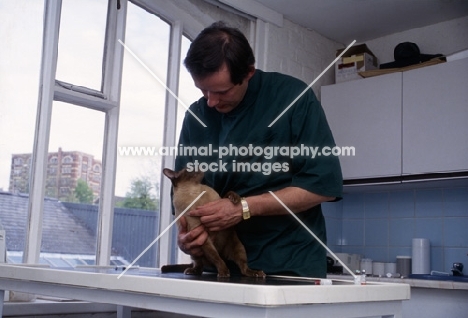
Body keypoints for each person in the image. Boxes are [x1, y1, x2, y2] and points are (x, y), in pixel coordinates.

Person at [174, 21, 342, 278]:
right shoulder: (196, 116)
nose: (210, 101)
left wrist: (244, 207)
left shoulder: (294, 98)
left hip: (287, 265)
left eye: (221, 91)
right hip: (217, 270)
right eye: (203, 90)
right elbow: (182, 195)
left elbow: (321, 186)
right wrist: (186, 237)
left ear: (249, 73)